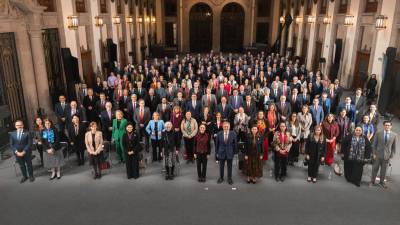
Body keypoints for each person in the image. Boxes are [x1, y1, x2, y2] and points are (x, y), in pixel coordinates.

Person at [370, 121, 397, 188]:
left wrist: (391, 155)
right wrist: (373, 154)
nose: (387, 126)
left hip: (387, 156)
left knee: (384, 170)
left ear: (391, 126)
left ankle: (382, 182)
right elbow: (374, 145)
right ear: (383, 126)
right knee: (375, 169)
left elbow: (394, 147)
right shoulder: (378, 133)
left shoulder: (394, 135)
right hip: (377, 155)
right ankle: (372, 182)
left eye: (388, 125)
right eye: (385, 125)